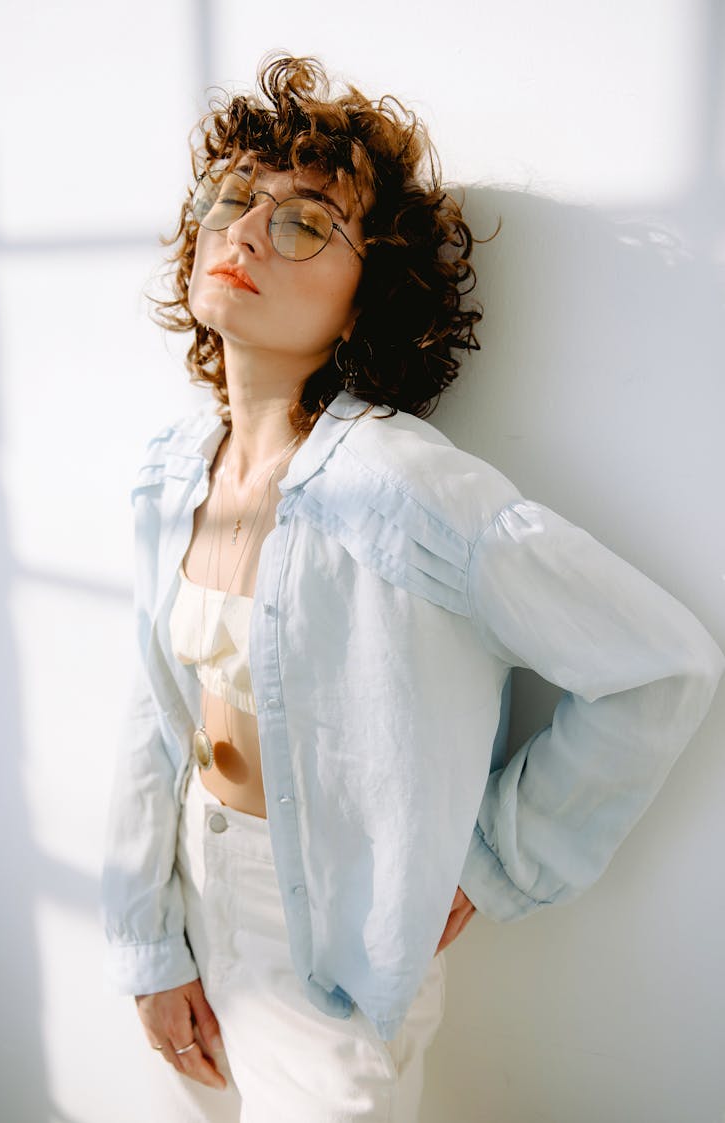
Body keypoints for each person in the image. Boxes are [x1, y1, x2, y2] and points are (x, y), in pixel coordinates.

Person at [102, 54, 724, 1123]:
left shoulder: (401, 486)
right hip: (195, 904)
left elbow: (659, 668)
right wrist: (148, 945)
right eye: (232, 201)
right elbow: (151, 719)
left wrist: (490, 862)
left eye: (304, 223)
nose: (247, 233)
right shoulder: (172, 467)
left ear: (363, 302)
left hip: (331, 945)